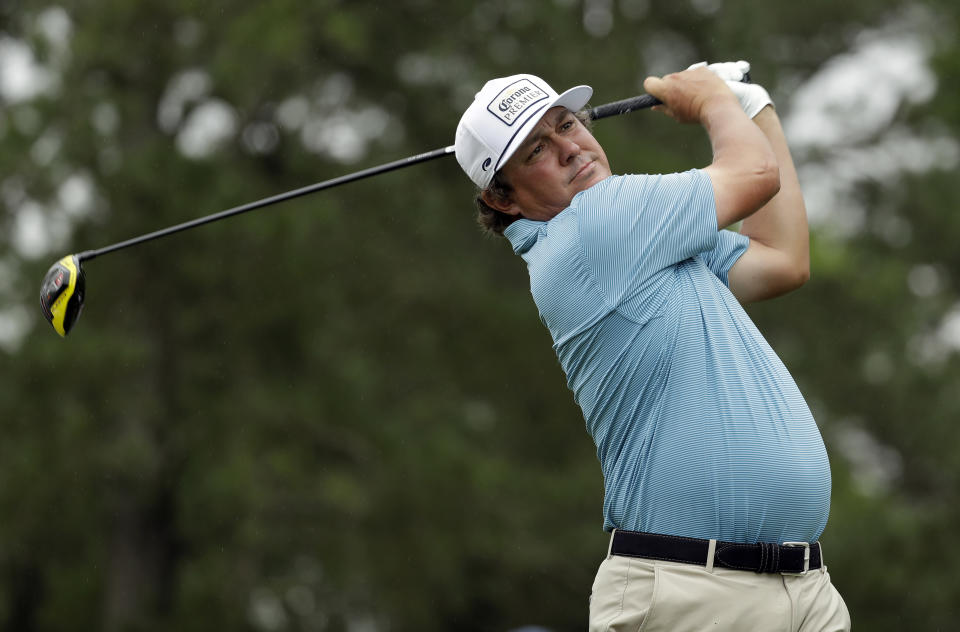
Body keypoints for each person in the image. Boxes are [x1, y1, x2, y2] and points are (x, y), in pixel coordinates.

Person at [453, 63, 851, 631]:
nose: (569, 148)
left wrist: (753, 106)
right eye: (537, 149)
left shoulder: (645, 243)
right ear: (504, 199)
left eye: (567, 124)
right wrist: (716, 101)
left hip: (803, 589)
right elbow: (754, 173)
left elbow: (784, 260)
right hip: (689, 594)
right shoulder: (599, 223)